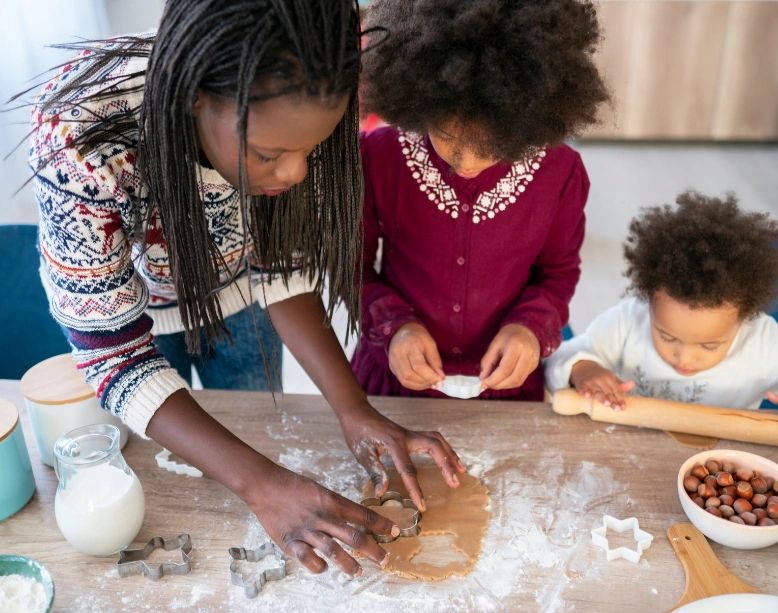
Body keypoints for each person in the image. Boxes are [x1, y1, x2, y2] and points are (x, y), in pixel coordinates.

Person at [26, 0, 463, 576]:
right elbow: (113, 356)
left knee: (258, 416)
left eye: (312, 149)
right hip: (138, 319)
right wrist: (261, 485)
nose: (295, 174)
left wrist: (353, 408)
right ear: (193, 101)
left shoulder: (303, 97)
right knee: (176, 463)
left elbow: (282, 270)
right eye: (270, 154)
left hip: (241, 299)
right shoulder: (80, 140)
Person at [351, 0, 609, 401]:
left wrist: (528, 327)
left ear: (526, 122)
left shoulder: (560, 172)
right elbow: (354, 270)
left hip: (506, 386)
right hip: (395, 376)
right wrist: (395, 327)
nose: (465, 163)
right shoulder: (377, 158)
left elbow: (557, 275)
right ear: (417, 103)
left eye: (491, 147)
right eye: (447, 136)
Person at [545, 192, 778, 432]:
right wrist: (584, 370)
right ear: (649, 301)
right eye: (666, 336)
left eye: (709, 345)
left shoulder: (761, 340)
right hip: (630, 443)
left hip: (723, 459)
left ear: (744, 315)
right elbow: (565, 355)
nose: (684, 358)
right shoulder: (629, 320)